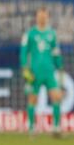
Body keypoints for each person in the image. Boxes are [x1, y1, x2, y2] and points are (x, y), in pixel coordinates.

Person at [20, 7, 64, 137]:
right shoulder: (30, 34)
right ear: (36, 17)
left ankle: (56, 128)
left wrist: (59, 65)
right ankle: (32, 128)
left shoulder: (52, 34)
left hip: (49, 71)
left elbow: (56, 52)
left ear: (48, 17)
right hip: (34, 73)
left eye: (44, 16)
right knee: (33, 99)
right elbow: (23, 53)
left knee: (56, 97)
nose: (42, 18)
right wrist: (25, 68)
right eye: (40, 15)